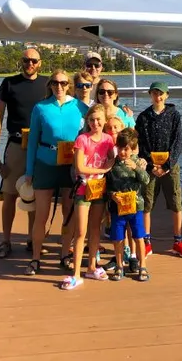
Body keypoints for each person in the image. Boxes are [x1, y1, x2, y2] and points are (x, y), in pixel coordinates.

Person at [24, 69, 89, 276]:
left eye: (62, 83)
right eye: (54, 83)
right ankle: (35, 258)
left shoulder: (80, 107)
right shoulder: (40, 108)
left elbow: (94, 131)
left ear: (68, 84)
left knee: (68, 214)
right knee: (41, 215)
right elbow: (33, 140)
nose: (58, 87)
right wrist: (29, 170)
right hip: (45, 163)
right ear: (50, 85)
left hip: (71, 165)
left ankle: (64, 255)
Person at [0, 48, 48, 259]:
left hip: (40, 145)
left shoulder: (47, 84)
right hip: (15, 145)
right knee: (10, 194)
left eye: (33, 61)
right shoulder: (9, 83)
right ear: (21, 62)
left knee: (36, 194)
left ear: (40, 63)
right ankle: (5, 241)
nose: (29, 64)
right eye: (26, 60)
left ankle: (33, 239)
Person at [61, 104, 115, 290]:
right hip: (83, 189)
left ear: (104, 121)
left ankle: (92, 266)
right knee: (81, 231)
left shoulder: (108, 140)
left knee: (95, 229)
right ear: (87, 121)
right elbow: (80, 168)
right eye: (92, 120)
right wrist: (102, 169)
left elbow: (113, 158)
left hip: (99, 189)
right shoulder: (82, 139)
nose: (95, 123)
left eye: (99, 119)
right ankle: (76, 273)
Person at [136, 81, 182, 258]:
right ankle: (146, 242)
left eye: (161, 94)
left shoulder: (174, 115)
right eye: (154, 93)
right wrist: (151, 166)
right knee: (146, 203)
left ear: (167, 95)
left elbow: (178, 142)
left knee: (175, 202)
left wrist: (167, 166)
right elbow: (140, 143)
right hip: (150, 168)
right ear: (150, 95)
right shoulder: (143, 117)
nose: (157, 97)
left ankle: (178, 240)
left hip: (170, 168)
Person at [106, 128, 149, 281]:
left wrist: (136, 168)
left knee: (139, 237)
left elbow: (146, 180)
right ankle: (119, 266)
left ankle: (142, 265)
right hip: (117, 208)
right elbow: (107, 186)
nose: (123, 152)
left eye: (126, 149)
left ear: (132, 149)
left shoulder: (138, 162)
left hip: (136, 207)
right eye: (120, 148)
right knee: (117, 239)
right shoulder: (112, 165)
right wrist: (112, 195)